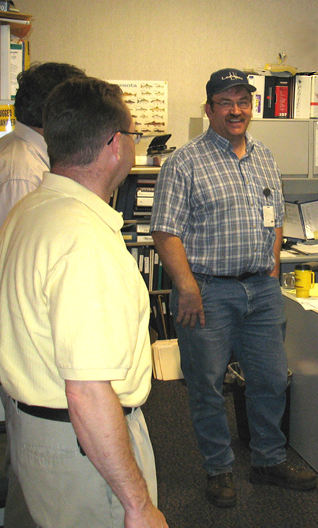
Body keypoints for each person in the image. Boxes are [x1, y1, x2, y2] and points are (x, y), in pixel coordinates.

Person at [0, 76, 168, 528]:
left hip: (38, 432)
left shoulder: (31, 210)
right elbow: (87, 390)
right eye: (132, 134)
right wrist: (138, 505)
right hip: (82, 449)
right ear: (114, 145)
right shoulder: (84, 242)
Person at [150, 68, 317, 508]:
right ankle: (218, 469)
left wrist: (273, 262)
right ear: (209, 109)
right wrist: (185, 287)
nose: (236, 110)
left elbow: (276, 216)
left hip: (260, 291)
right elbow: (165, 232)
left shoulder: (263, 156)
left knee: (270, 380)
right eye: (225, 102)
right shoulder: (184, 162)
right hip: (208, 292)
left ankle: (268, 459)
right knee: (207, 386)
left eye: (243, 101)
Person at [0, 61, 87, 528]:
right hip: (30, 344)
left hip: (31, 341)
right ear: (54, 110)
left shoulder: (26, 154)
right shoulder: (21, 171)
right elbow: (15, 273)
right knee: (36, 473)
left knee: (34, 469)